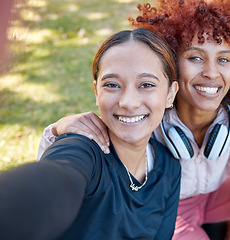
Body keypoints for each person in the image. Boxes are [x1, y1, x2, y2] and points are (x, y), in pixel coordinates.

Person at [37, 0, 230, 239]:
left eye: (223, 59)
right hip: (171, 212)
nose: (212, 72)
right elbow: (84, 152)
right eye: (196, 57)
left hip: (214, 199)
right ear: (171, 66)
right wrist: (57, 129)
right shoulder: (147, 114)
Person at [0, 28, 181, 240]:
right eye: (112, 85)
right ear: (96, 91)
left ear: (170, 94)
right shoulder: (82, 150)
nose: (128, 102)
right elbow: (54, 179)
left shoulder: (170, 168)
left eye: (147, 85)